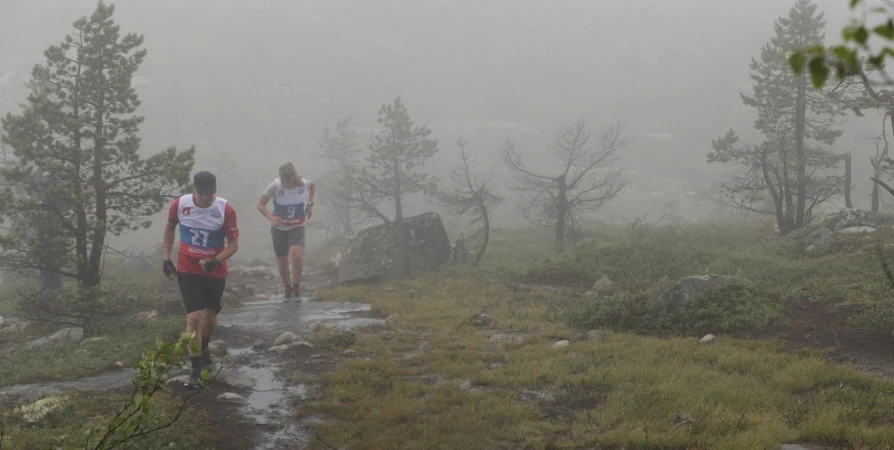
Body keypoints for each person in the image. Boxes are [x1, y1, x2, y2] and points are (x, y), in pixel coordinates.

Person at [162, 171, 239, 390]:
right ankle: (194, 369)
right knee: (193, 317)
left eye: (211, 194)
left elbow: (233, 244)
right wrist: (167, 259)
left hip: (214, 271)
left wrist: (216, 260)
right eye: (203, 194)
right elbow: (169, 228)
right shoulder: (180, 204)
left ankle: (204, 348)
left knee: (209, 316)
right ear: (194, 190)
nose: (207, 199)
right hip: (188, 269)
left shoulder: (225, 209)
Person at [256, 162, 315, 302]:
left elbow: (312, 186)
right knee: (282, 260)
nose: (287, 185)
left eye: (289, 182)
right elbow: (260, 204)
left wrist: (310, 204)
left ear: (294, 177)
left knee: (296, 256)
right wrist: (270, 217)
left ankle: (296, 288)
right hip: (279, 228)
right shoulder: (275, 185)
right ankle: (287, 288)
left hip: (297, 226)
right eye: (284, 182)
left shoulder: (302, 183)